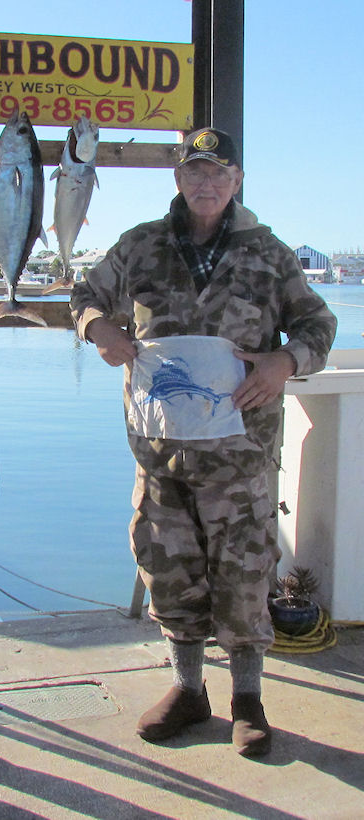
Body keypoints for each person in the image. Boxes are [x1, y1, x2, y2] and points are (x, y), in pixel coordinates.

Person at [70, 128, 336, 757]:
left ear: (236, 181)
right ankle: (189, 691)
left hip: (240, 459)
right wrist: (98, 328)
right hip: (160, 454)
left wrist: (284, 364)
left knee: (244, 581)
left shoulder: (269, 254)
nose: (206, 183)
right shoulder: (140, 245)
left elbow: (318, 324)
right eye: (195, 172)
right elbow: (83, 297)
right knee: (169, 575)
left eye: (218, 173)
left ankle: (249, 701)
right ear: (179, 179)